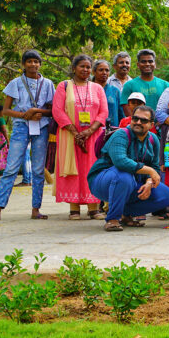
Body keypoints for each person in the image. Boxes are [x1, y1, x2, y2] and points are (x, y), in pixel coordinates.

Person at [0, 50, 55, 221]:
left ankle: (36, 209)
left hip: (41, 127)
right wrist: (24, 115)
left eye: (36, 61)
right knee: (11, 168)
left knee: (37, 170)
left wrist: (37, 111)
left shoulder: (48, 84)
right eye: (29, 61)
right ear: (23, 64)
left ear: (40, 64)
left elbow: (52, 110)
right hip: (21, 127)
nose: (33, 65)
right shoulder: (16, 83)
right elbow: (6, 110)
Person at [87, 105, 169, 232]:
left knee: (166, 195)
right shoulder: (121, 135)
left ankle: (125, 214)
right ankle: (113, 219)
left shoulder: (153, 139)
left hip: (133, 182)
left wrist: (149, 182)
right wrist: (149, 171)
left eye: (143, 120)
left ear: (151, 124)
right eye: (135, 118)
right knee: (124, 176)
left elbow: (155, 165)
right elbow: (121, 162)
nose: (138, 122)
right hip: (102, 181)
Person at [52, 54, 108, 219]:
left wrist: (88, 131)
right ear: (74, 68)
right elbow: (57, 110)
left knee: (93, 169)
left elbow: (104, 112)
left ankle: (94, 208)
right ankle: (74, 209)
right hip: (69, 136)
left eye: (88, 67)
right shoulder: (64, 86)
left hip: (93, 136)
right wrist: (75, 133)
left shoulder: (97, 88)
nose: (85, 69)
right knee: (73, 170)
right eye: (82, 66)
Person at [120, 49, 169, 119]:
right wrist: (138, 123)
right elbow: (126, 108)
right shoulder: (129, 85)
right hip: (137, 126)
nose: (147, 64)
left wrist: (160, 122)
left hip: (160, 126)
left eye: (150, 61)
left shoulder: (165, 85)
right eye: (143, 62)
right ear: (138, 65)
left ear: (154, 64)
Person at [93, 60, 120, 127]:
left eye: (107, 70)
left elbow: (120, 113)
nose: (104, 73)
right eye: (101, 70)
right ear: (94, 72)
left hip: (112, 129)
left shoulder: (115, 91)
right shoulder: (88, 89)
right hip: (91, 129)